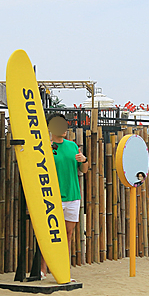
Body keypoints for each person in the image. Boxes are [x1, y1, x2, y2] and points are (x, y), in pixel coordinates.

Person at [46, 113, 89, 272]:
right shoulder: (46, 147)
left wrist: (84, 160)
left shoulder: (72, 146)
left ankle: (63, 268)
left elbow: (84, 170)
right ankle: (43, 270)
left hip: (73, 196)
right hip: (52, 196)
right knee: (49, 234)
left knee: (68, 234)